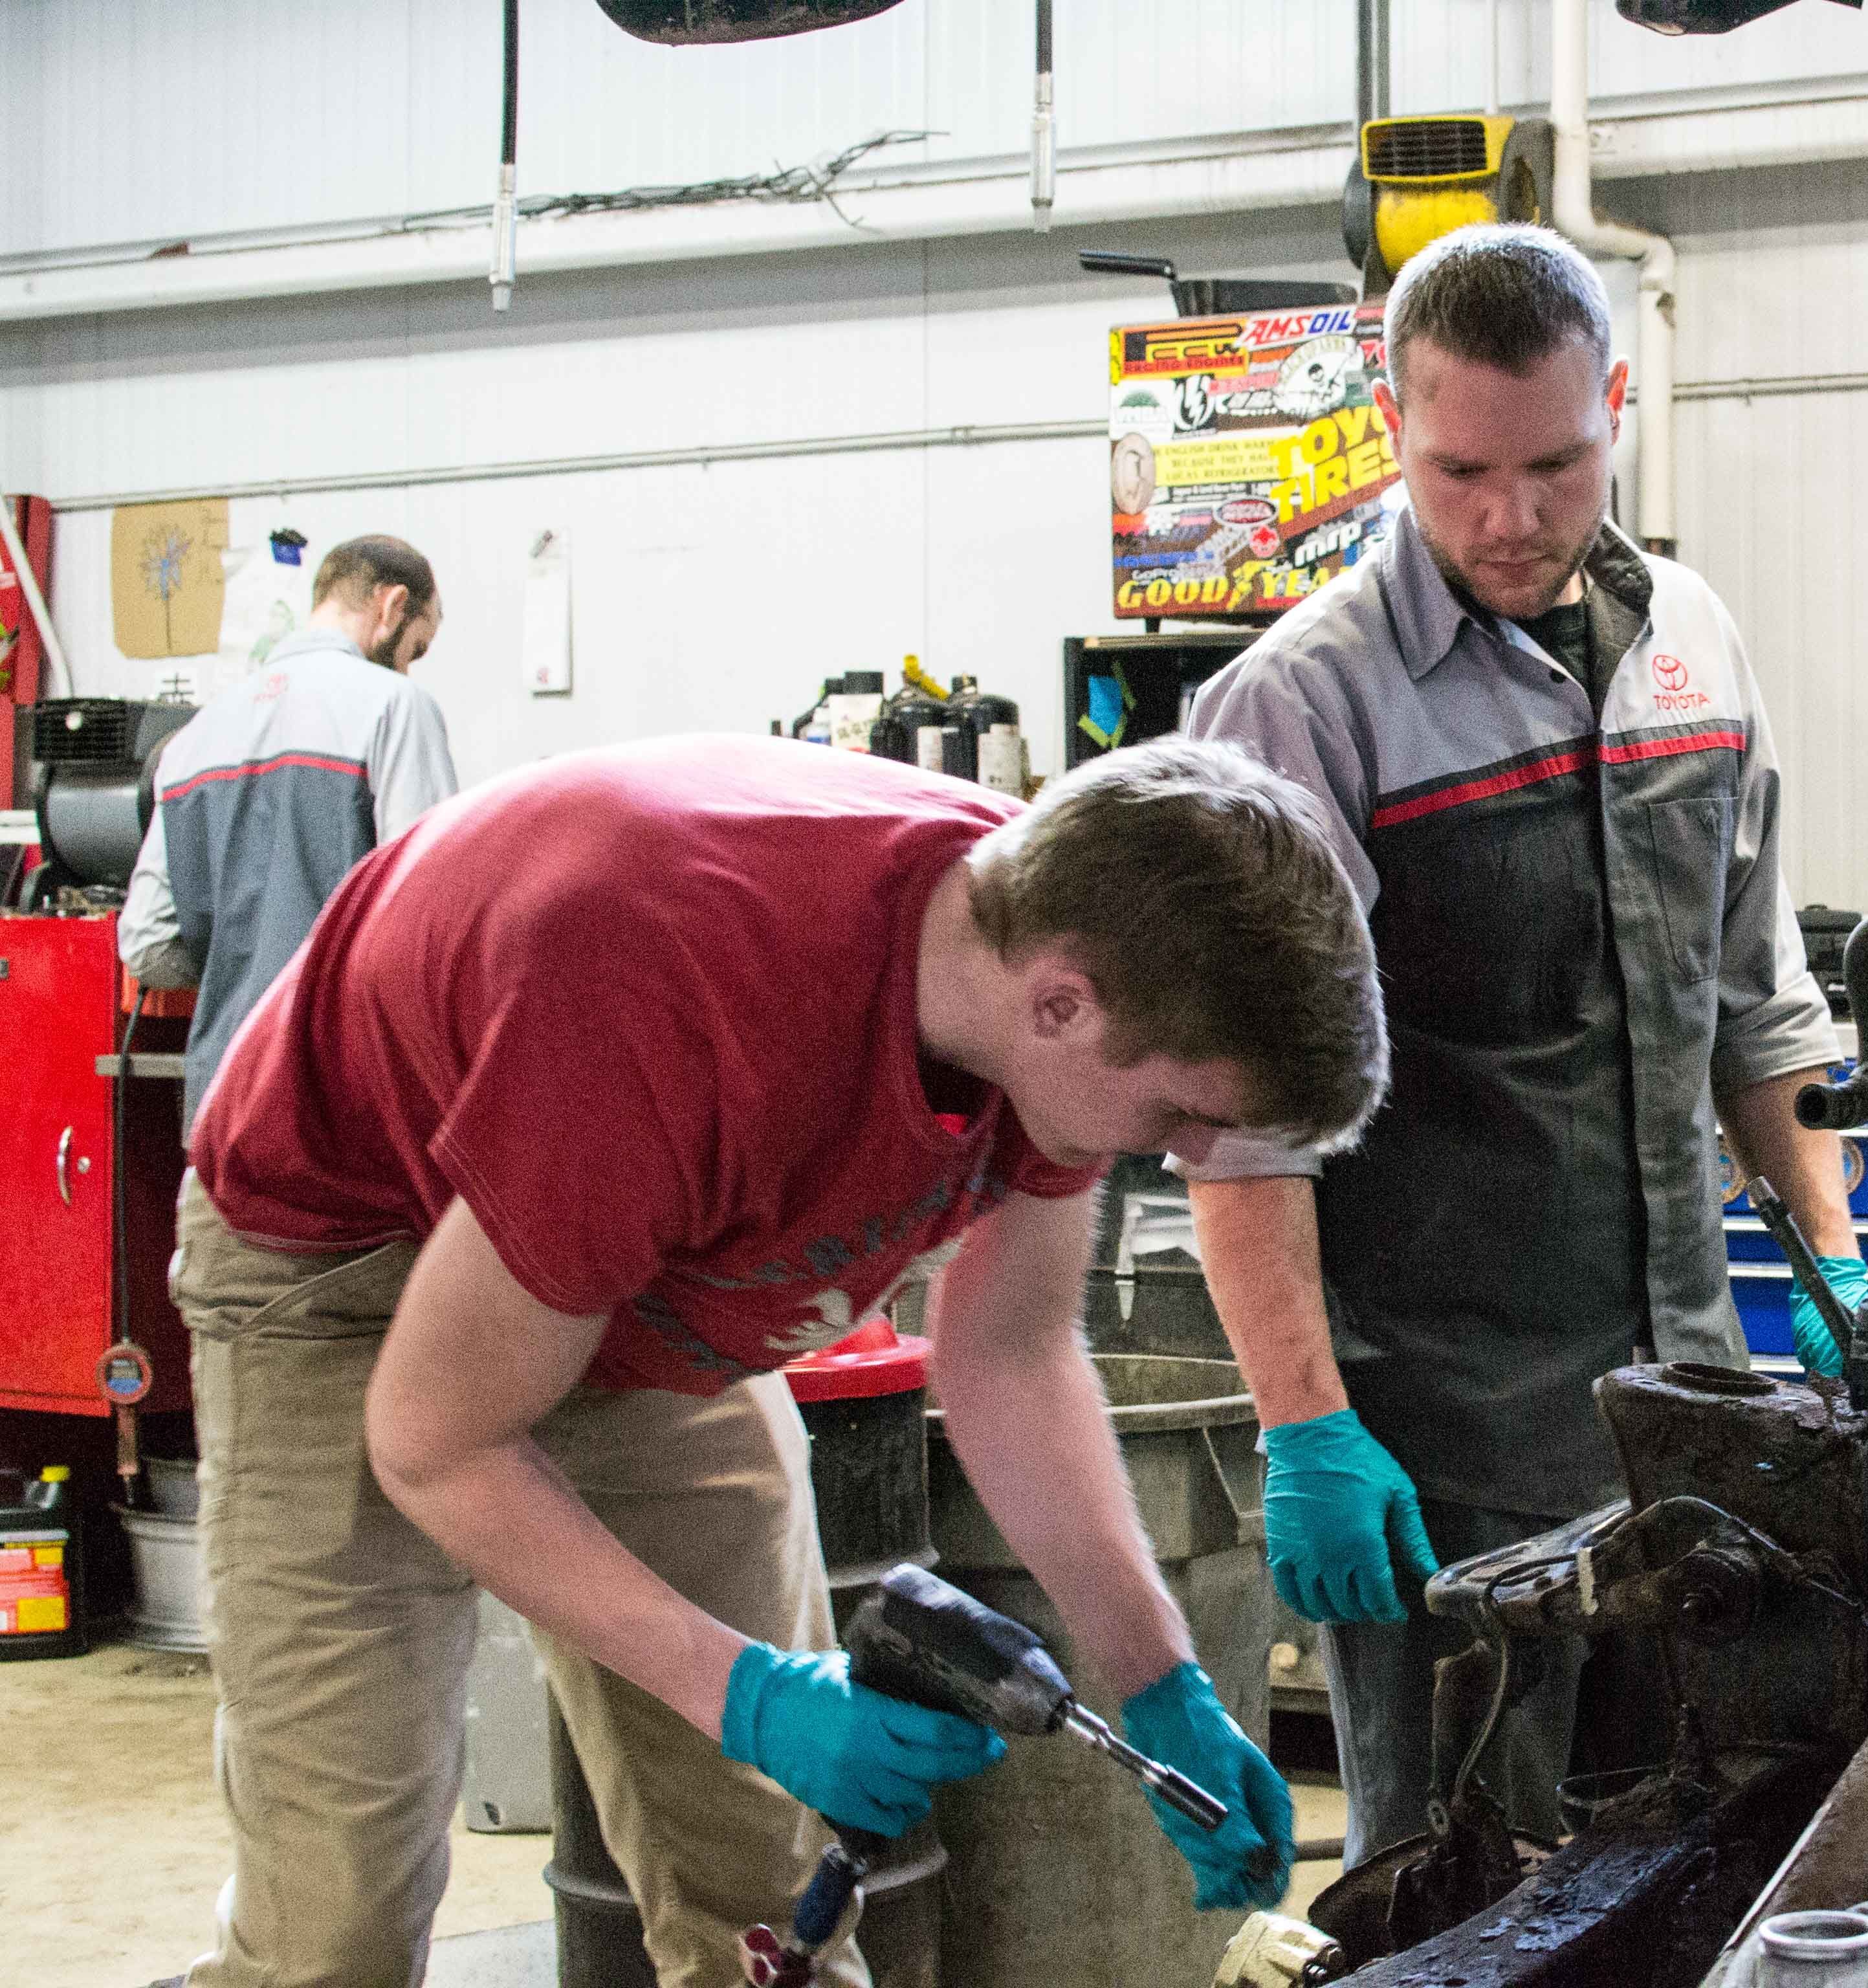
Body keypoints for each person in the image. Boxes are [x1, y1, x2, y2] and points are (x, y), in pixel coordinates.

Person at [159, 734, 1378, 1988]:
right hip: (345, 1263)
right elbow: (435, 1439)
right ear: (1060, 1003)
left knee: (766, 1903)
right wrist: (750, 1695)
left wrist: (1160, 1675)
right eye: (1179, 1119)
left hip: (633, 1269)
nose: (1173, 1151)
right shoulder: (676, 996)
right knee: (336, 1923)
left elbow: (1007, 1355)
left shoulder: (1064, 961)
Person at [1180, 221, 1868, 1861]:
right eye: (1460, 470)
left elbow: (1753, 995)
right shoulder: (1301, 704)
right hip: (1444, 1443)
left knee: (1691, 1846)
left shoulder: (1689, 642)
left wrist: (1838, 1269)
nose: (1511, 517)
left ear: (1616, 404)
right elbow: (1243, 1119)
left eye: (1556, 463)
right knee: (1460, 1893)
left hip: (1691, 1399)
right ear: (1391, 428)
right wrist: (1305, 1425)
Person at [120, 532, 458, 1135]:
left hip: (218, 1115)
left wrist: (246, 962)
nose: (410, 665)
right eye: (418, 647)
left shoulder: (193, 738)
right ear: (392, 606)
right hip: (337, 1115)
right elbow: (426, 920)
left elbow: (144, 943)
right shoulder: (395, 706)